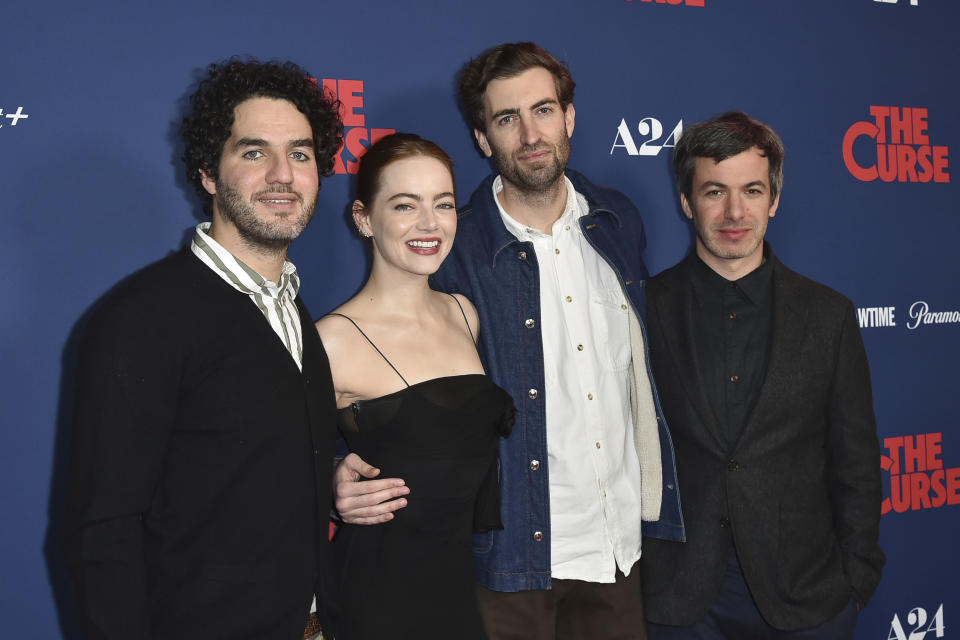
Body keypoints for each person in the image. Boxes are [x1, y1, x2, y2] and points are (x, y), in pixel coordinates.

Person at [334, 42, 685, 640]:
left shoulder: (618, 220)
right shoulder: (454, 249)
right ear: (482, 138)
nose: (529, 133)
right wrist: (339, 469)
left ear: (569, 117)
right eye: (506, 118)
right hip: (509, 560)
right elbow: (399, 382)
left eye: (543, 110)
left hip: (618, 551)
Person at [65, 59, 343, 640]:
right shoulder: (141, 318)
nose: (282, 175)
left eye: (299, 153)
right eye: (252, 152)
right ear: (208, 174)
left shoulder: (293, 311)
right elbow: (105, 530)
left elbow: (238, 468)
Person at [642, 111, 885, 639]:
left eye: (751, 190)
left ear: (773, 200)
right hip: (677, 603)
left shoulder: (828, 315)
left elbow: (857, 463)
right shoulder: (641, 309)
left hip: (806, 601)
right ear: (686, 201)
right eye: (714, 192)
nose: (734, 211)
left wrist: (856, 578)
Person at [316, 133, 514, 639]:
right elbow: (270, 467)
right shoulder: (331, 340)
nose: (430, 224)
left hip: (459, 592)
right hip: (375, 599)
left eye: (443, 204)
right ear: (363, 218)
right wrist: (331, 477)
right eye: (406, 205)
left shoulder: (464, 314)